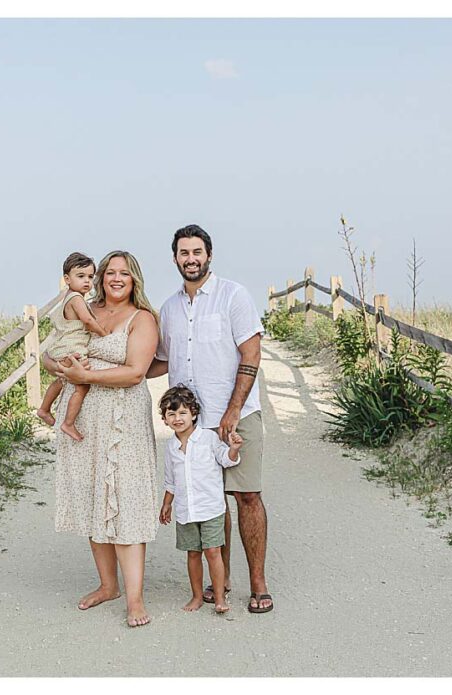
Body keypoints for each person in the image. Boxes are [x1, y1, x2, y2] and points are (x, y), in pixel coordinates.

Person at [147, 224, 274, 614]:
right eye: (183, 252)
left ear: (209, 255)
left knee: (247, 496)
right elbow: (160, 361)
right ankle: (224, 580)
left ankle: (258, 583)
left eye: (197, 251)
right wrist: (114, 371)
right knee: (209, 502)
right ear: (174, 258)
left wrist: (233, 410)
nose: (191, 258)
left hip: (235, 416)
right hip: (192, 427)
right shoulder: (168, 309)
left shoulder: (233, 296)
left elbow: (250, 354)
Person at [43, 250, 160, 628]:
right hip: (82, 421)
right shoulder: (82, 308)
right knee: (95, 497)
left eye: (124, 273)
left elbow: (135, 373)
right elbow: (48, 353)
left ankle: (136, 598)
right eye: (110, 272)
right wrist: (63, 367)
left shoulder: (142, 319)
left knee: (125, 500)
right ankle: (108, 586)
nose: (115, 278)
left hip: (122, 420)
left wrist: (85, 377)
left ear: (134, 279)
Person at [157, 385, 242, 615]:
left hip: (211, 508)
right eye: (171, 414)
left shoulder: (208, 438)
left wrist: (233, 449)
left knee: (213, 552)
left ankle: (219, 597)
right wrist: (167, 504)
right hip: (186, 510)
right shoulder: (171, 447)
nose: (177, 418)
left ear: (194, 413)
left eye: (183, 412)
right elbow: (170, 480)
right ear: (164, 419)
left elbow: (226, 460)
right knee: (192, 553)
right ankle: (196, 596)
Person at [36, 252, 109, 442]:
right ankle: (68, 423)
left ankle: (44, 409)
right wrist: (103, 333)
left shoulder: (68, 297)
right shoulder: (76, 299)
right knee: (82, 386)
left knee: (61, 379)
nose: (87, 281)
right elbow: (87, 320)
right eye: (80, 276)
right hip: (71, 349)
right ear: (67, 279)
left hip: (62, 348)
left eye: (90, 277)